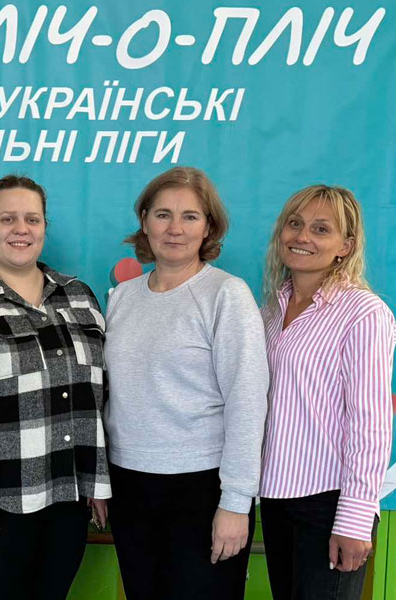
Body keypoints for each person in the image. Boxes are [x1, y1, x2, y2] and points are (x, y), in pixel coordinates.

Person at [0, 175, 111, 600]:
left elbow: (100, 401)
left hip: (70, 499)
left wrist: (98, 483)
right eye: (7, 219)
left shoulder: (79, 297)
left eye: (32, 219)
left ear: (44, 226)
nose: (20, 229)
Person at [104, 166, 269, 600]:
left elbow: (248, 404)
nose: (175, 228)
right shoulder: (122, 297)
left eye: (190, 216)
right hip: (129, 485)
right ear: (144, 221)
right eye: (163, 214)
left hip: (201, 488)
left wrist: (236, 502)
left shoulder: (227, 295)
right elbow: (111, 397)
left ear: (209, 226)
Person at [258, 185, 396, 600]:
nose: (302, 236)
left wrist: (355, 518)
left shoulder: (363, 313)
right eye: (295, 224)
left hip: (331, 502)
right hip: (276, 496)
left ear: (345, 246)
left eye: (321, 229)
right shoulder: (270, 311)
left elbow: (370, 423)